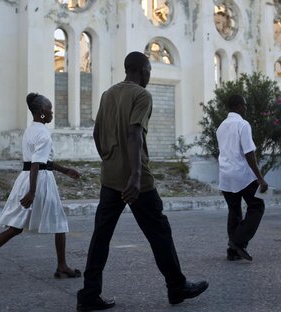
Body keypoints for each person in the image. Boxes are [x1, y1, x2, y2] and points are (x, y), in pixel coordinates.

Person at [76, 52, 208, 311]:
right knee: (159, 233)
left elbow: (96, 132)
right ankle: (176, 287)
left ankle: (89, 294)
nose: (149, 75)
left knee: (100, 237)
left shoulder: (108, 94)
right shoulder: (142, 95)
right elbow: (135, 132)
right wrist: (135, 175)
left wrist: (108, 157)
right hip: (137, 181)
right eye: (149, 70)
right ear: (142, 70)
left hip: (110, 178)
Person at [0, 93, 82, 281]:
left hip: (28, 178)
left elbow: (41, 162)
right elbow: (37, 163)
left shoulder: (31, 130)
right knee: (58, 221)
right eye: (50, 109)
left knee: (16, 227)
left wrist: (65, 170)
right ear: (42, 112)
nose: (52, 113)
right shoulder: (43, 133)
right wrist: (33, 192)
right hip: (39, 181)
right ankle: (62, 266)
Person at [216, 94, 268, 262]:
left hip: (225, 175)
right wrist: (260, 178)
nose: (246, 108)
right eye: (244, 105)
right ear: (238, 106)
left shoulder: (221, 126)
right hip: (241, 174)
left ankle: (233, 252)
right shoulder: (243, 124)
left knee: (234, 210)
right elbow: (249, 153)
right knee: (257, 206)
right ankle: (238, 242)